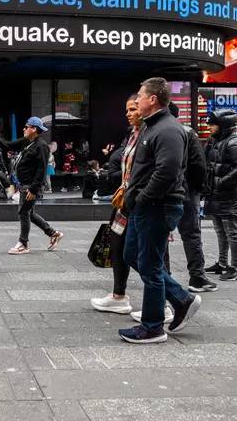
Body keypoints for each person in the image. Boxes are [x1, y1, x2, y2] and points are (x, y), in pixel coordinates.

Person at [118, 78, 201, 344]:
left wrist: (143, 198)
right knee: (132, 255)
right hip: (144, 207)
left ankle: (152, 327)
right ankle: (181, 298)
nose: (136, 100)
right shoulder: (150, 126)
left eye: (140, 96)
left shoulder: (168, 129)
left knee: (151, 266)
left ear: (153, 99)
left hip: (157, 206)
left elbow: (168, 171)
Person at [92, 95, 153, 317]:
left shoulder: (152, 133)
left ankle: (168, 302)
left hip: (143, 203)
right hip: (125, 202)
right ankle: (118, 296)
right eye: (127, 110)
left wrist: (141, 195)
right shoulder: (133, 134)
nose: (128, 114)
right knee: (118, 248)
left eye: (133, 109)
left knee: (148, 255)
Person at [0, 117, 63, 254]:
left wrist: (34, 189)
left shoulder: (41, 146)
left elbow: (42, 170)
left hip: (31, 185)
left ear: (34, 129)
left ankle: (23, 244)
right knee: (29, 212)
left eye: (26, 127)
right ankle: (53, 233)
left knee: (24, 212)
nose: (24, 129)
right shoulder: (26, 141)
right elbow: (9, 145)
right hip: (25, 184)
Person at [167, 103, 217, 293]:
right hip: (187, 191)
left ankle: (165, 277)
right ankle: (197, 277)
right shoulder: (188, 132)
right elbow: (198, 164)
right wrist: (198, 188)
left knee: (161, 237)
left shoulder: (153, 131)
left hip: (163, 192)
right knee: (192, 235)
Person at [204, 109, 237, 282]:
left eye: (212, 124)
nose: (209, 127)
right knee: (220, 230)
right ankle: (222, 263)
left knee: (231, 231)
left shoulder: (233, 143)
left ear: (223, 125)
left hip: (229, 194)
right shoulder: (216, 141)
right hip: (217, 193)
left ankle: (235, 268)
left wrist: (220, 182)